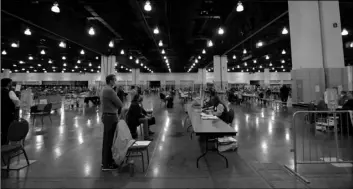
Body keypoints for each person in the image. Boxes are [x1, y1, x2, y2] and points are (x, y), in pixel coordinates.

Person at [100, 74, 123, 171]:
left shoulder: (104, 89)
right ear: (110, 81)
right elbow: (120, 104)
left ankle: (105, 161)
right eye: (114, 80)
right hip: (111, 117)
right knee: (109, 142)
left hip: (106, 116)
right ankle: (107, 165)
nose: (115, 81)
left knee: (107, 141)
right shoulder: (110, 90)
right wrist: (116, 94)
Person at [1, 78, 18, 145]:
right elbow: (16, 103)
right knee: (6, 131)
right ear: (8, 84)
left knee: (3, 131)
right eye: (11, 83)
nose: (12, 84)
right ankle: (4, 148)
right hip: (7, 115)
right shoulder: (9, 92)